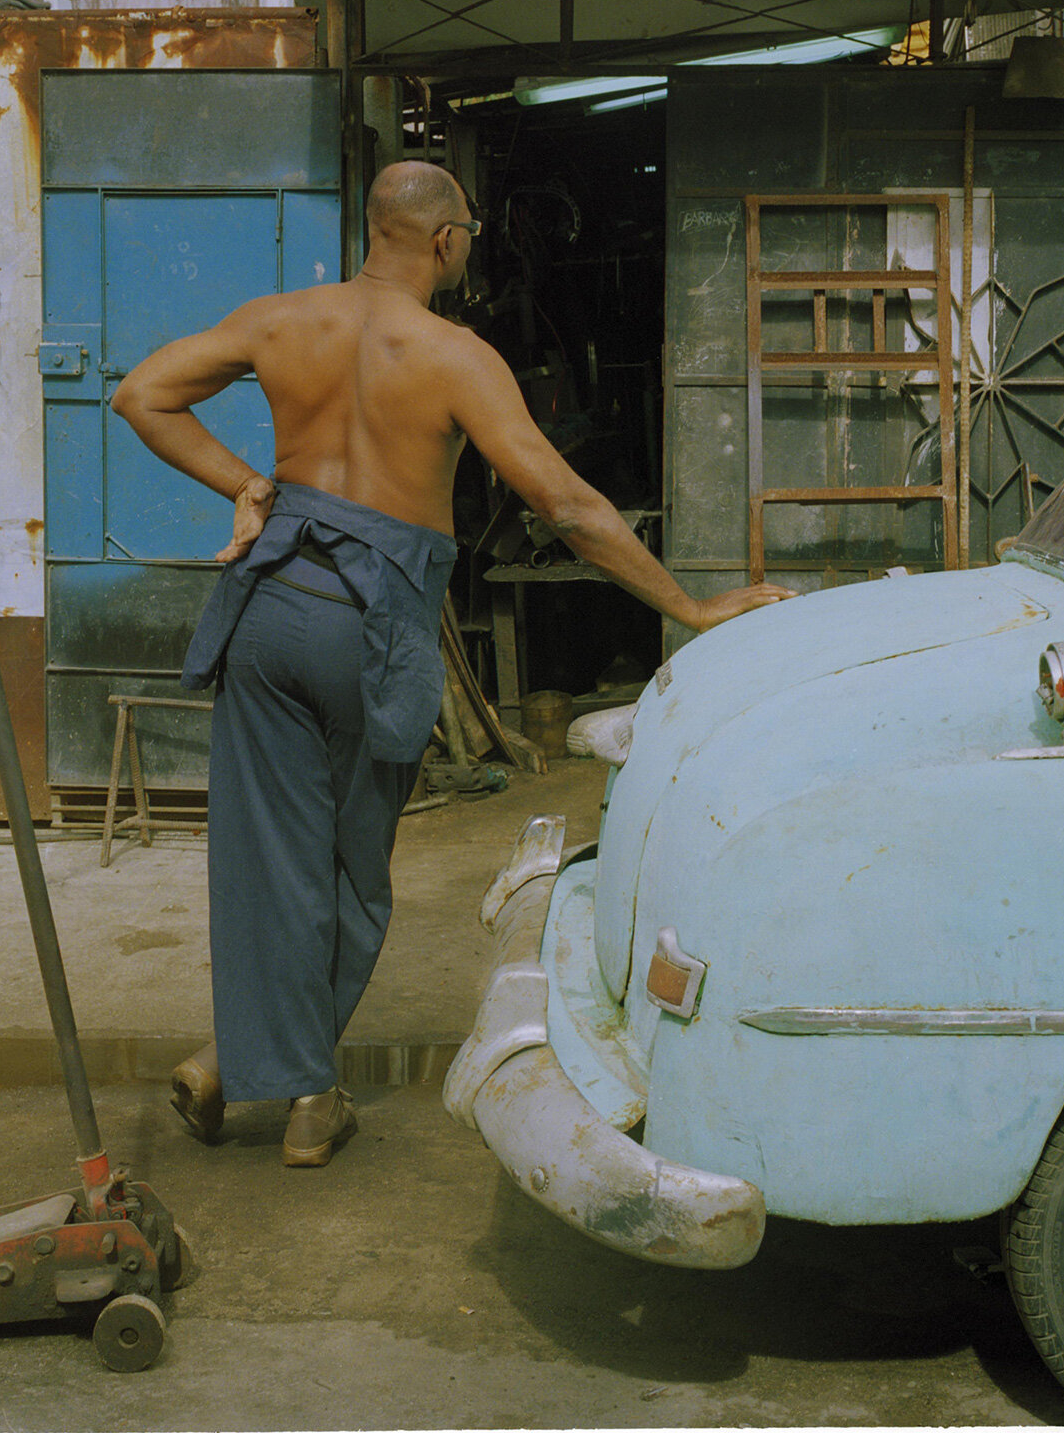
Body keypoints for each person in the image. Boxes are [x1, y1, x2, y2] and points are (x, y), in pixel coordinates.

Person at [111, 160, 791, 1166]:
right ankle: (304, 1098)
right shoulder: (456, 355)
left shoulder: (279, 318)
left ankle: (234, 1059)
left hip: (267, 607)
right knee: (350, 867)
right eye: (468, 231)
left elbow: (140, 393)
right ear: (443, 240)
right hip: (368, 624)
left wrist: (251, 481)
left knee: (268, 864)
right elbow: (565, 506)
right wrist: (688, 604)